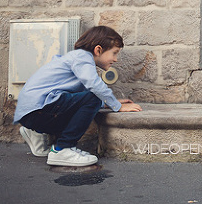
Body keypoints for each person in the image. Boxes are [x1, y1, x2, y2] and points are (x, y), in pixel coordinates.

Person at [14, 26, 142, 167]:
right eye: (114, 53)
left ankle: (36, 132)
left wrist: (108, 103)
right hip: (38, 109)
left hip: (31, 112)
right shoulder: (83, 57)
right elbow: (94, 87)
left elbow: (78, 101)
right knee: (93, 98)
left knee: (87, 102)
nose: (116, 59)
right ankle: (62, 149)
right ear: (98, 50)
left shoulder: (76, 59)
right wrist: (117, 106)